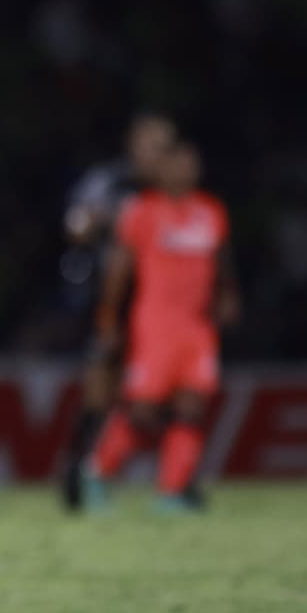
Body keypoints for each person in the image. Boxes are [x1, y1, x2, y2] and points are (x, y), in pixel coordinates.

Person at [80, 142, 241, 512]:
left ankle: (170, 492)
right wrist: (108, 316)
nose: (187, 171)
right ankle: (96, 472)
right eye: (178, 165)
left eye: (192, 164)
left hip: (197, 327)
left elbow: (221, 259)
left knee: (192, 405)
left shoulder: (210, 211)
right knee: (143, 409)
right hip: (155, 324)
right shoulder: (143, 211)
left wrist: (229, 295)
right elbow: (120, 267)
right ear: (162, 171)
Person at [56, 113, 177, 511]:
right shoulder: (109, 182)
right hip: (114, 300)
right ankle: (76, 472)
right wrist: (92, 223)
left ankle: (174, 481)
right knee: (100, 391)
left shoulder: (176, 189)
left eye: (164, 146)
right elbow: (76, 223)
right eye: (150, 146)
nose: (157, 155)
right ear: (133, 146)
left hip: (164, 303)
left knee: (168, 397)